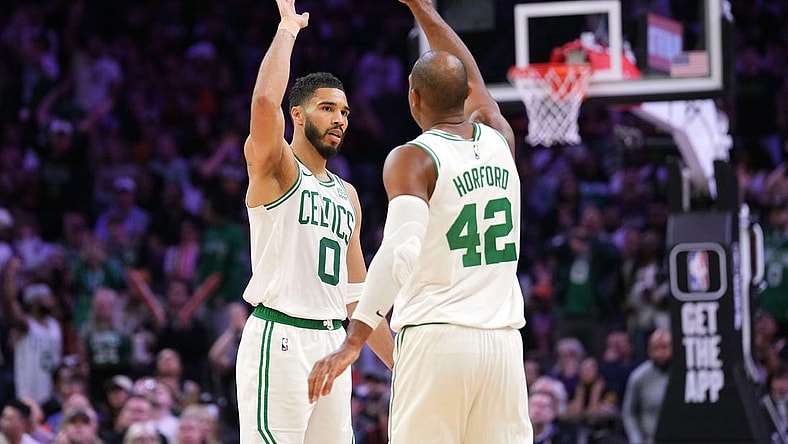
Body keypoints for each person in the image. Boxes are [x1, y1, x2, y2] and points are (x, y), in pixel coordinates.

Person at [308, 0, 532, 442]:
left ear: (412, 96)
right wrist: (424, 10)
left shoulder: (412, 157)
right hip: (504, 346)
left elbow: (400, 250)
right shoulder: (499, 137)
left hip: (438, 340)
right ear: (466, 94)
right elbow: (475, 82)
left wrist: (356, 338)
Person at [234, 1, 394, 443]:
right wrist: (287, 30)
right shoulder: (278, 168)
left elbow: (358, 297)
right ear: (298, 115)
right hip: (281, 335)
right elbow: (265, 101)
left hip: (333, 345)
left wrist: (402, 362)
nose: (340, 119)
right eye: (327, 108)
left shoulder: (348, 195)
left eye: (344, 112)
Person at [621, 328, 672, 444]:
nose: (660, 353)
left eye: (664, 347)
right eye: (655, 348)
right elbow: (629, 413)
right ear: (648, 351)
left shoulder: (685, 375)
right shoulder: (638, 377)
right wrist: (636, 439)